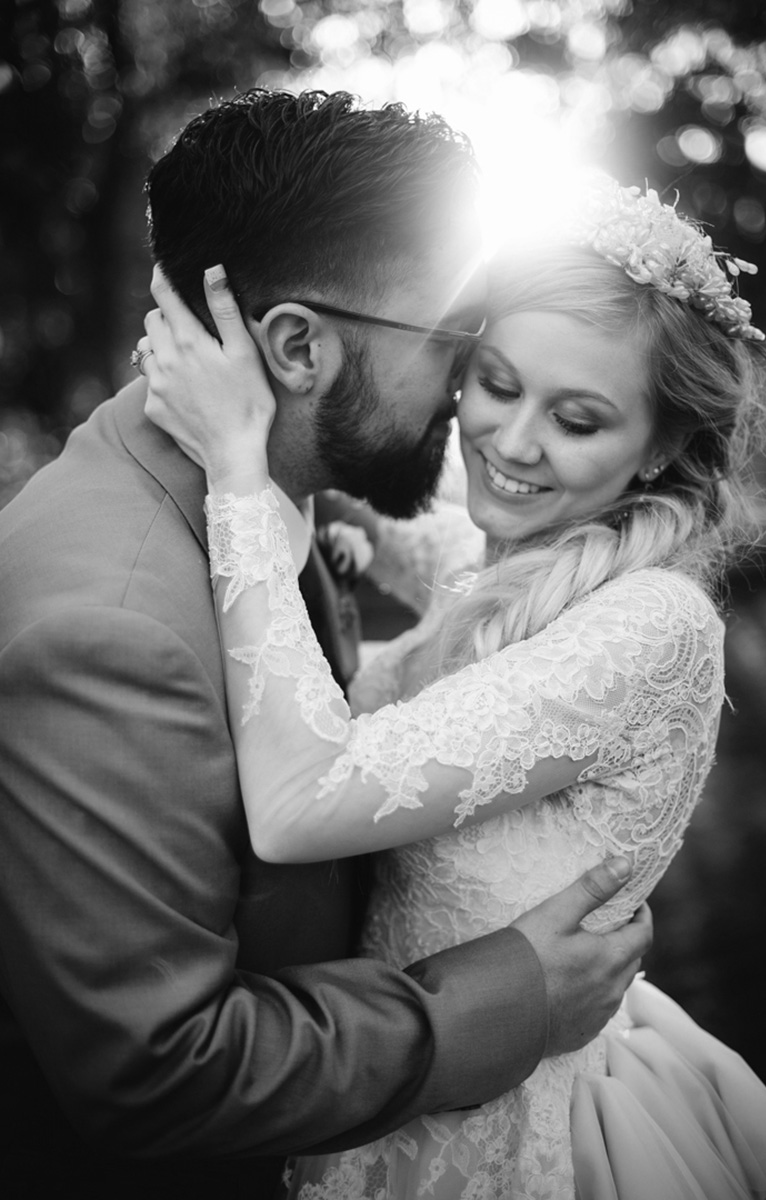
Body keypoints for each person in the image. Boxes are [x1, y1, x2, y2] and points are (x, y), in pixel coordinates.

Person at [0, 91, 650, 1200]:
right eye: (453, 335)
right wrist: (509, 997)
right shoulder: (111, 626)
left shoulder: (258, 495)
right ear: (297, 347)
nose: (470, 382)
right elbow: (157, 1068)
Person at [141, 179, 766, 1199]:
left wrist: (235, 473)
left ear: (661, 446)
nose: (511, 441)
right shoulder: (507, 555)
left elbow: (298, 802)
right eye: (496, 382)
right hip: (395, 1085)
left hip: (508, 1135)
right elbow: (395, 517)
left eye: (577, 420)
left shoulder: (651, 625)